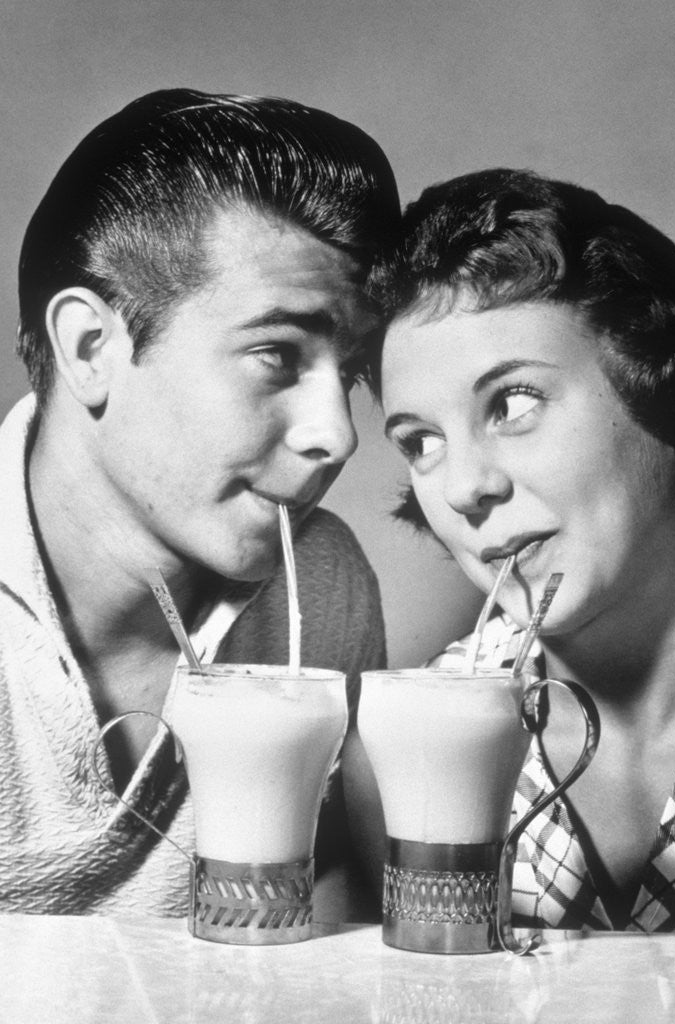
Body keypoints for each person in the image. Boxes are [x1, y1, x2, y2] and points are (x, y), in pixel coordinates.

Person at [361, 167, 675, 932]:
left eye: (514, 403)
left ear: (670, 391)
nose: (464, 487)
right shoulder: (406, 745)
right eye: (420, 442)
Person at [0, 88, 400, 917]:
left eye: (352, 370)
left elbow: (325, 932)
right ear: (91, 348)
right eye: (275, 354)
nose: (338, 435)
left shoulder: (320, 586)